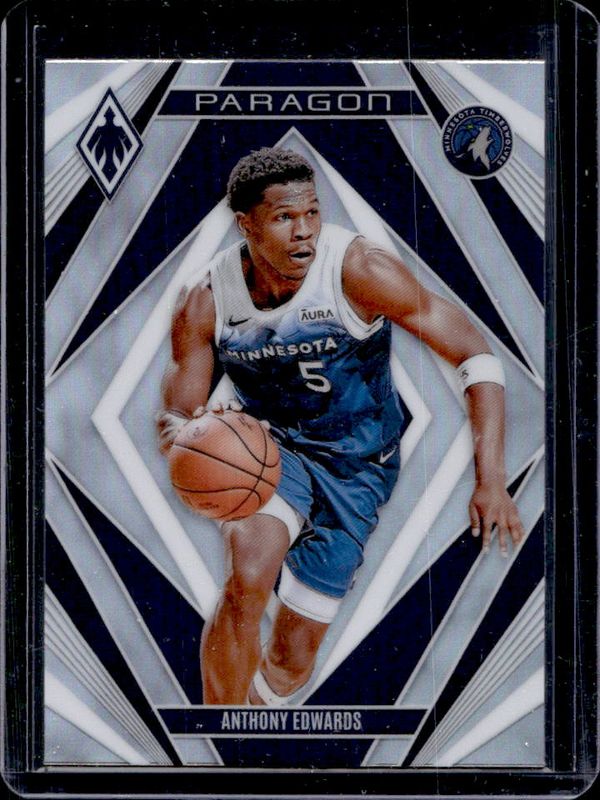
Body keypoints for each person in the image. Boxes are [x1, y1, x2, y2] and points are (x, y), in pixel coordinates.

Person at [156, 147, 524, 706]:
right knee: (248, 578)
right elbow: (179, 413)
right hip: (272, 453)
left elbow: (476, 357)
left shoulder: (358, 269)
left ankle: (258, 710)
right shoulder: (206, 300)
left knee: (290, 665)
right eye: (284, 217)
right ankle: (220, 738)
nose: (303, 231)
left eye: (312, 212)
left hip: (358, 466)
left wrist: (491, 480)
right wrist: (185, 436)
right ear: (246, 224)